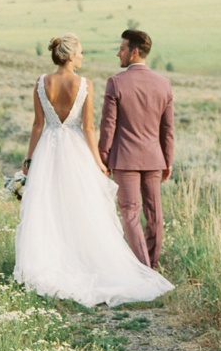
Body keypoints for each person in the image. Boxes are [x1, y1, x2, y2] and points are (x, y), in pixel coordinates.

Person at [13, 32, 172, 308]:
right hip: (76, 152)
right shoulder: (85, 85)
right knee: (83, 208)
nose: (84, 57)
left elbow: (38, 125)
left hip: (48, 151)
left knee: (48, 208)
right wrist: (98, 161)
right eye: (82, 52)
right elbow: (88, 128)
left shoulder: (41, 82)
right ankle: (130, 264)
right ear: (71, 56)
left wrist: (29, 158)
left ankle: (53, 261)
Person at [99, 29, 174, 269]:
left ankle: (142, 268)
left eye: (121, 48)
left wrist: (103, 158)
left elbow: (108, 126)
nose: (118, 53)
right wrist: (168, 161)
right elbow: (167, 129)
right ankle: (151, 263)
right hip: (155, 159)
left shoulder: (116, 83)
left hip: (124, 160)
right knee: (155, 213)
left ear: (134, 52)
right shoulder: (164, 84)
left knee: (130, 212)